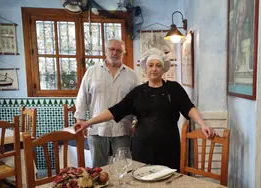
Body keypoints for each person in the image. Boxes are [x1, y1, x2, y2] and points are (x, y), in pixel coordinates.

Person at [75, 48, 216, 171]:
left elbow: (189, 107)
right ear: (145, 69)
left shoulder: (174, 88)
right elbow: (115, 110)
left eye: (158, 65)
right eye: (150, 65)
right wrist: (87, 122)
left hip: (169, 147)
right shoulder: (138, 92)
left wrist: (203, 124)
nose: (154, 69)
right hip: (142, 148)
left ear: (163, 69)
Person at [74, 38, 139, 167]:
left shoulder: (132, 75)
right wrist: (80, 119)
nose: (115, 53)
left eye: (119, 50)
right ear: (106, 51)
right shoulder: (92, 71)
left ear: (123, 53)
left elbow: (138, 102)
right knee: (98, 169)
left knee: (123, 168)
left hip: (122, 129)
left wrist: (136, 123)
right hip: (97, 130)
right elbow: (82, 96)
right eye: (112, 49)